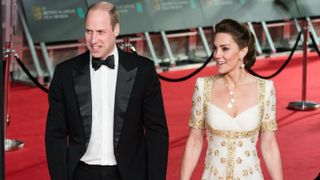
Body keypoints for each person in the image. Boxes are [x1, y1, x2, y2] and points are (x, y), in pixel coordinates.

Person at [45, 1, 169, 180]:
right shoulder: (65, 73)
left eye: (101, 32)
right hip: (81, 173)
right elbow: (55, 134)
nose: (93, 40)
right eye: (89, 31)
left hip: (129, 173)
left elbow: (157, 132)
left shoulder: (143, 70)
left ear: (116, 30)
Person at [180, 19, 283, 180]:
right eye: (215, 48)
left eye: (225, 49)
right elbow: (194, 141)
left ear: (242, 52)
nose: (216, 55)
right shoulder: (203, 86)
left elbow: (269, 144)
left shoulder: (265, 89)